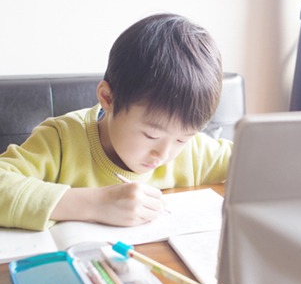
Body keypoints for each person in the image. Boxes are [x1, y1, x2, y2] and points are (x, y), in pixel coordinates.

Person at [0, 13, 231, 231]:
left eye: (182, 139)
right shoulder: (61, 140)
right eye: (151, 135)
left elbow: (248, 161)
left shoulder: (194, 152)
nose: (163, 155)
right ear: (108, 98)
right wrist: (95, 204)